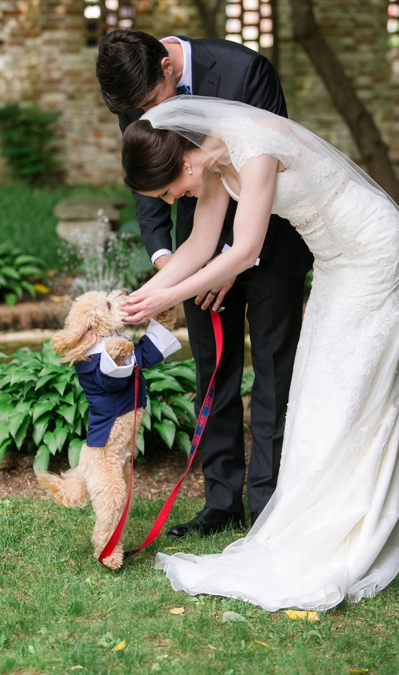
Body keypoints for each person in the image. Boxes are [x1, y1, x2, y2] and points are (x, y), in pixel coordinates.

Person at [119, 95, 399, 611]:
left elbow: (242, 251)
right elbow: (198, 244)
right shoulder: (210, 161)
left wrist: (171, 297)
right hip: (335, 261)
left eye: (171, 191)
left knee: (352, 387)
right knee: (318, 385)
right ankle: (312, 516)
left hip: (372, 250)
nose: (173, 201)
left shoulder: (252, 146)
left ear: (185, 161)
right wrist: (144, 295)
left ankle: (354, 525)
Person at [96, 30, 313, 536]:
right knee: (212, 375)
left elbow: (262, 174)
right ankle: (221, 502)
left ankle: (267, 504)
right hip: (196, 238)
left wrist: (223, 262)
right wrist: (167, 261)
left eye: (152, 103)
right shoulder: (136, 91)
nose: (150, 115)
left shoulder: (246, 72)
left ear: (168, 68)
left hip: (269, 245)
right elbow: (147, 170)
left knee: (273, 375)